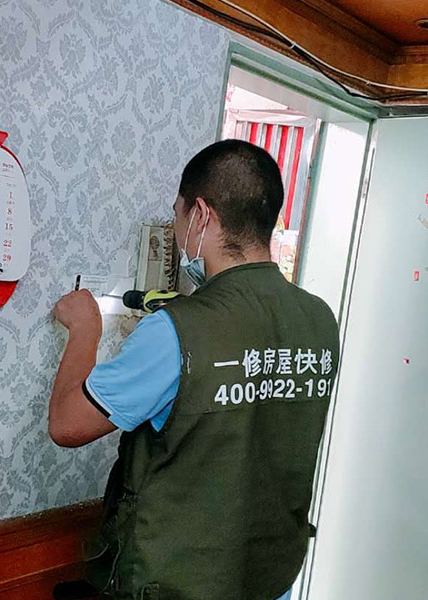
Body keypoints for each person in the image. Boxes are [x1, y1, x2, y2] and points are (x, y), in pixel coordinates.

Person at [49, 139, 340, 600]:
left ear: (201, 215)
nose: (178, 231)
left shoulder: (175, 331)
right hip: (270, 578)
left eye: (178, 217)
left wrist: (85, 329)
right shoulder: (319, 319)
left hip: (177, 584)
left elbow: (67, 424)